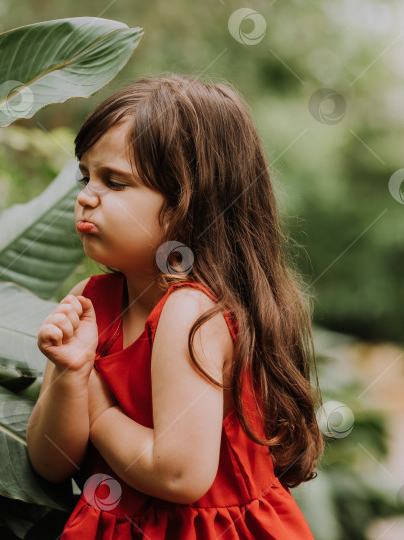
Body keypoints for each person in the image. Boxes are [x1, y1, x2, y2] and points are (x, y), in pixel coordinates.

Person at [26, 74, 324, 538]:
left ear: (190, 202)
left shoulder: (191, 313)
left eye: (116, 182)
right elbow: (50, 462)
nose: (85, 197)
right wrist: (70, 375)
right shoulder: (92, 302)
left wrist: (100, 411)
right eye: (87, 176)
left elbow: (180, 475)